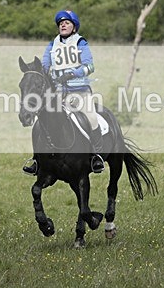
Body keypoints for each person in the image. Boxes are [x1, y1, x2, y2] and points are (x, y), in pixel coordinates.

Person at [22, 9, 105, 175]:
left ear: (74, 27)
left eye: (66, 23)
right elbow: (44, 65)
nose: (63, 25)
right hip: (59, 93)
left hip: (80, 91)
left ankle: (96, 156)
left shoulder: (81, 42)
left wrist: (73, 73)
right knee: (42, 121)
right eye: (60, 23)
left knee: (91, 118)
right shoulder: (52, 45)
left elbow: (90, 66)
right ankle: (37, 160)